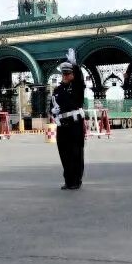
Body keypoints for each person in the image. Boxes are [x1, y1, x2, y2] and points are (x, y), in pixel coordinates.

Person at [51, 49, 86, 190]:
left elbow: (80, 79)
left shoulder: (77, 87)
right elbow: (52, 105)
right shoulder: (57, 90)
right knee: (64, 153)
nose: (65, 76)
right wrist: (52, 112)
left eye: (68, 73)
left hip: (75, 124)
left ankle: (76, 180)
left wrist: (75, 66)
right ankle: (68, 180)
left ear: (72, 74)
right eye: (64, 74)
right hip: (62, 125)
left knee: (76, 153)